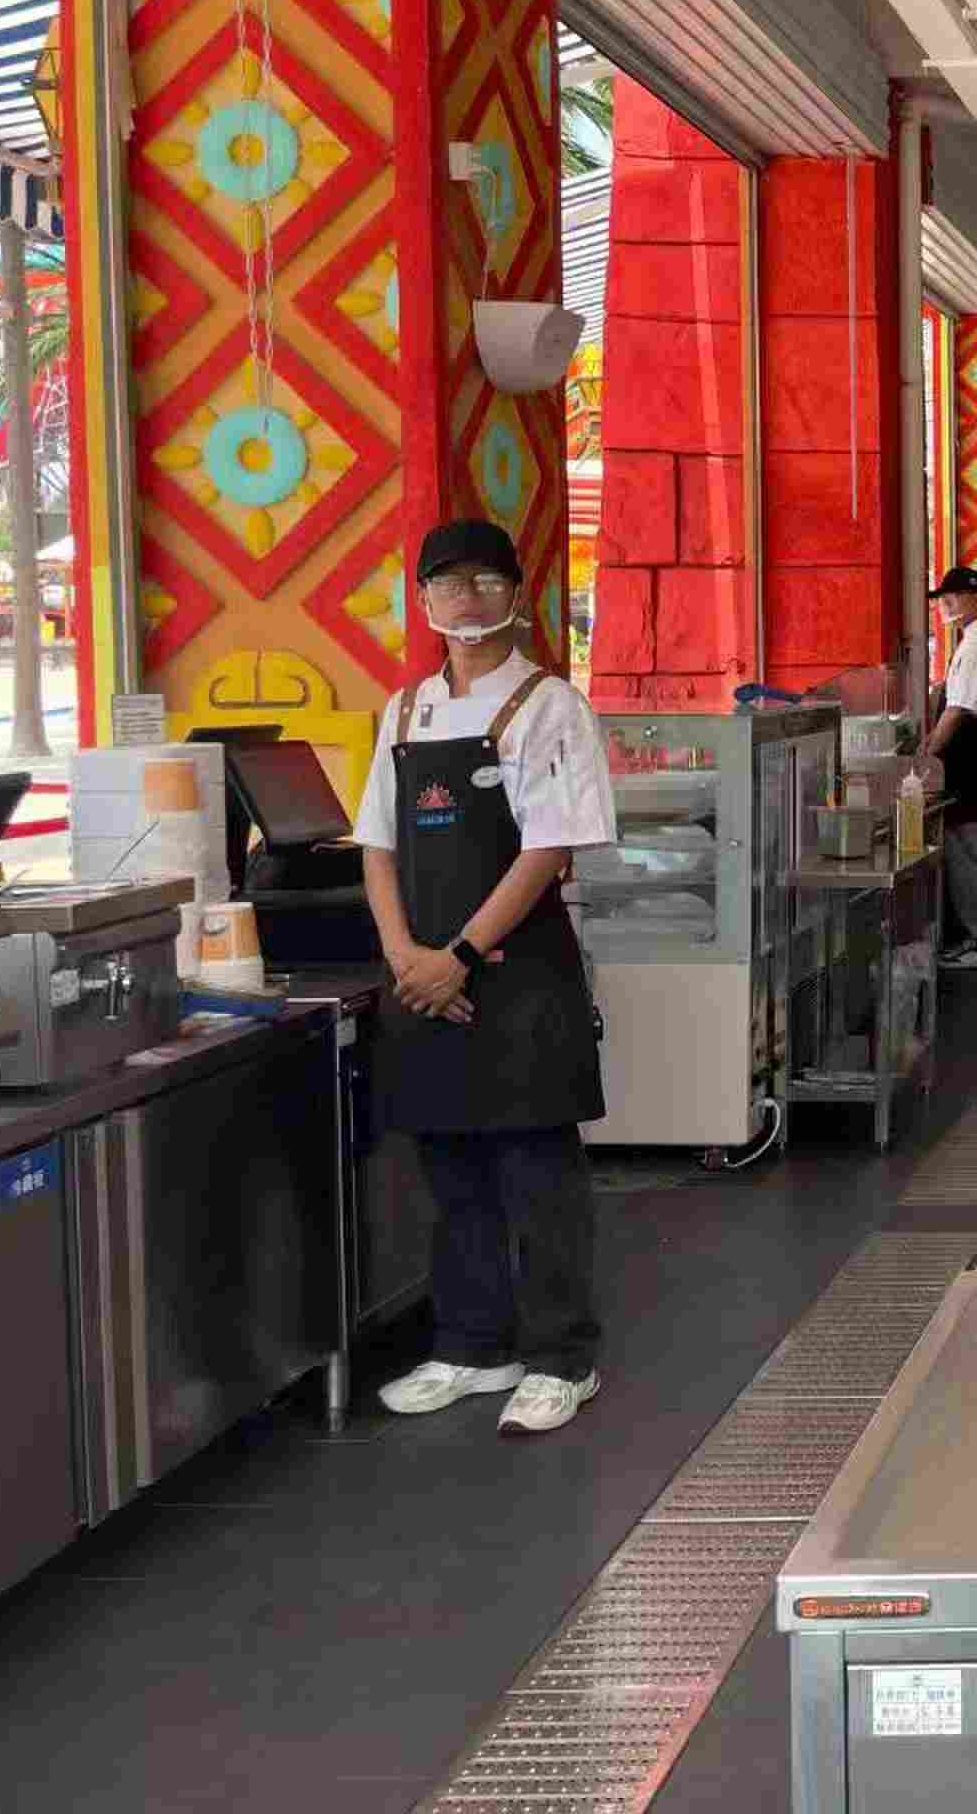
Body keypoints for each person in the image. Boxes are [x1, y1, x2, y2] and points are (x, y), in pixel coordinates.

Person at [357, 518, 618, 1436]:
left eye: (484, 581)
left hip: (516, 973)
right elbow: (377, 847)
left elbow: (547, 850)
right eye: (446, 583)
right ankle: (472, 1346)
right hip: (425, 976)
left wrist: (458, 956)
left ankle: (561, 1358)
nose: (465, 599)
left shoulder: (551, 706)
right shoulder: (403, 712)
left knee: (537, 1171)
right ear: (423, 599)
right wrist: (405, 956)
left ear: (518, 594)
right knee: (452, 1169)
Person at [922, 566, 977, 971]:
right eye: (942, 598)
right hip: (971, 759)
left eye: (952, 596)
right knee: (966, 852)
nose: (944, 604)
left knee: (976, 854)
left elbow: (959, 709)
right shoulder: (975, 639)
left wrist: (927, 753)